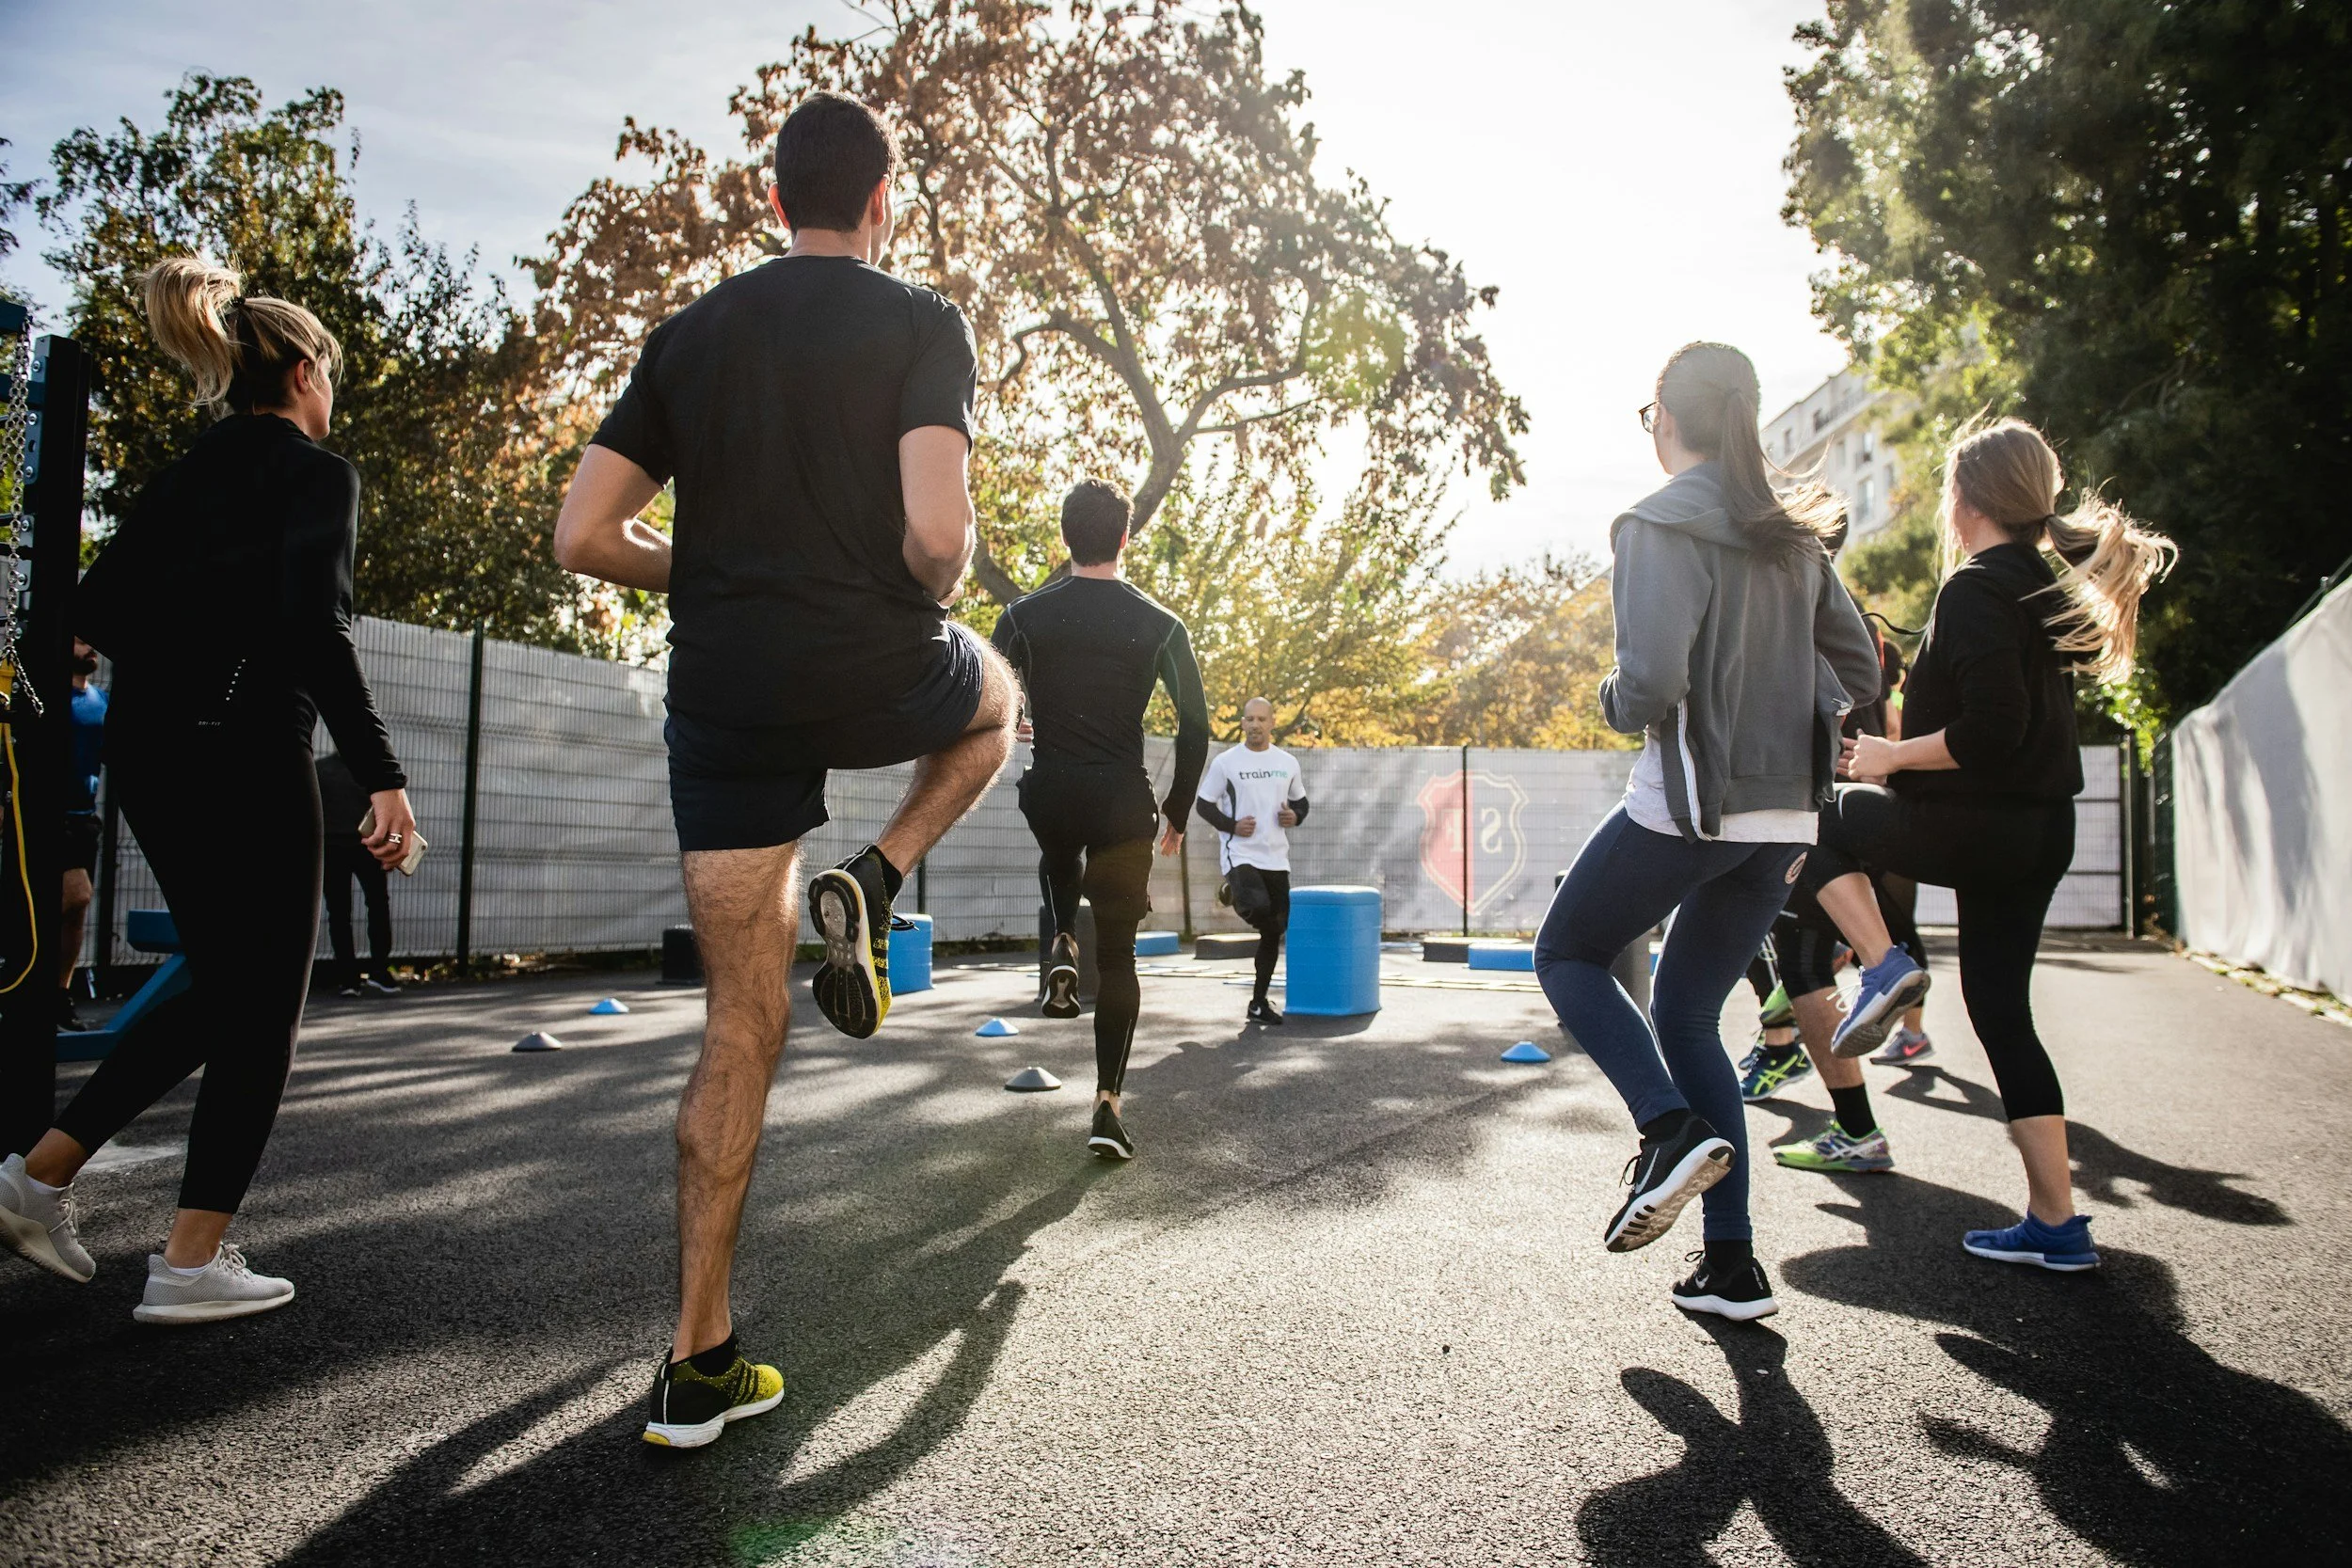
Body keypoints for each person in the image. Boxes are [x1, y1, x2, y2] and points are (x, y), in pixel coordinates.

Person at [551, 92, 1015, 1449]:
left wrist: (696, 566)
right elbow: (937, 535)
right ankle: (877, 871)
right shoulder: (923, 322)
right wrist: (938, 576)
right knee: (995, 703)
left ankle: (698, 1357)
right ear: (885, 204)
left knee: (737, 1029)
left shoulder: (688, 338)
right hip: (875, 666)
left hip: (728, 694)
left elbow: (584, 533)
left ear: (774, 203)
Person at [0, 259, 417, 1323]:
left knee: (224, 984)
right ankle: (189, 1260)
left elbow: (92, 609)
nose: (336, 395)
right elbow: (316, 629)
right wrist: (384, 776)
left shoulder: (193, 473)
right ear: (304, 370)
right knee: (262, 1005)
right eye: (332, 373)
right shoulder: (316, 473)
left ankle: (37, 1176)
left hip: (154, 755)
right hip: (244, 752)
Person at [1530, 341, 1878, 1322]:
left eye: (1648, 416)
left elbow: (1648, 685)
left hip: (1691, 804)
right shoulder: (1796, 539)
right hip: (1783, 820)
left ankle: (1665, 1126)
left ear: (1668, 421)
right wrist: (1806, 761)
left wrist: (1607, 695)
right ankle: (1731, 1265)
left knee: (1566, 950)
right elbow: (1860, 670)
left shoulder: (1654, 522)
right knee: (1687, 1015)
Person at [1796, 417, 2173, 1273]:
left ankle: (1885, 963)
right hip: (2040, 830)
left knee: (1814, 820)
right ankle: (2055, 1222)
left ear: (1965, 498)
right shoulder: (2040, 585)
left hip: (1982, 824)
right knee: (2003, 1012)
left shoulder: (1974, 588)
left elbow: (1992, 731)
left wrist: (1892, 755)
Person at [992, 480, 1209, 1161]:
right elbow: (1196, 727)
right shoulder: (1163, 623)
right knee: (1119, 957)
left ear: (1065, 536)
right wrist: (1176, 810)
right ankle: (1107, 1106)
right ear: (1125, 536)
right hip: (1123, 802)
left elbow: (990, 696)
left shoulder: (1023, 616)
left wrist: (1019, 718)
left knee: (1058, 845)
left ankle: (1059, 937)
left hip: (1052, 790)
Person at [1195, 698, 1309, 1025]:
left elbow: (1302, 803)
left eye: (1261, 719)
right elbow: (1204, 805)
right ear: (1243, 724)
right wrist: (1231, 826)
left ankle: (1258, 1003)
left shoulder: (1287, 762)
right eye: (1249, 719)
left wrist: (1294, 816)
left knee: (1275, 929)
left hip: (1276, 857)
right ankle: (1235, 889)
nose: (1255, 725)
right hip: (1240, 854)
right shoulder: (1226, 763)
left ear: (1272, 722)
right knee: (1259, 911)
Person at [316, 750, 399, 997]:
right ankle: (380, 971)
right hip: (368, 847)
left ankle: (348, 978)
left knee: (339, 914)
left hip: (332, 848)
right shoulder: (372, 770)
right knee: (378, 906)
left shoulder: (320, 769)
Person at [57, 638, 107, 1032]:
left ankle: (59, 994)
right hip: (44, 817)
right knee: (76, 894)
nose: (90, 647)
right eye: (79, 640)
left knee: (76, 911)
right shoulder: (37, 698)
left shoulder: (100, 701)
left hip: (84, 818)